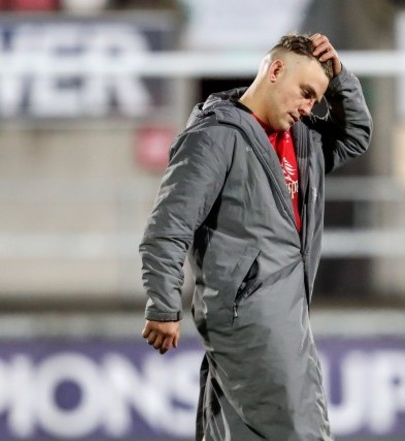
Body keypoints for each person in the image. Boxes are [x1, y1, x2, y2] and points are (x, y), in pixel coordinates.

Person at [139, 33, 372, 441]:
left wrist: (339, 78)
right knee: (301, 430)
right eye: (305, 92)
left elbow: (355, 135)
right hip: (251, 317)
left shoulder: (304, 142)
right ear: (275, 70)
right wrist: (163, 304)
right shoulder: (215, 137)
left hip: (283, 310)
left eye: (316, 99)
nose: (308, 107)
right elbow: (168, 226)